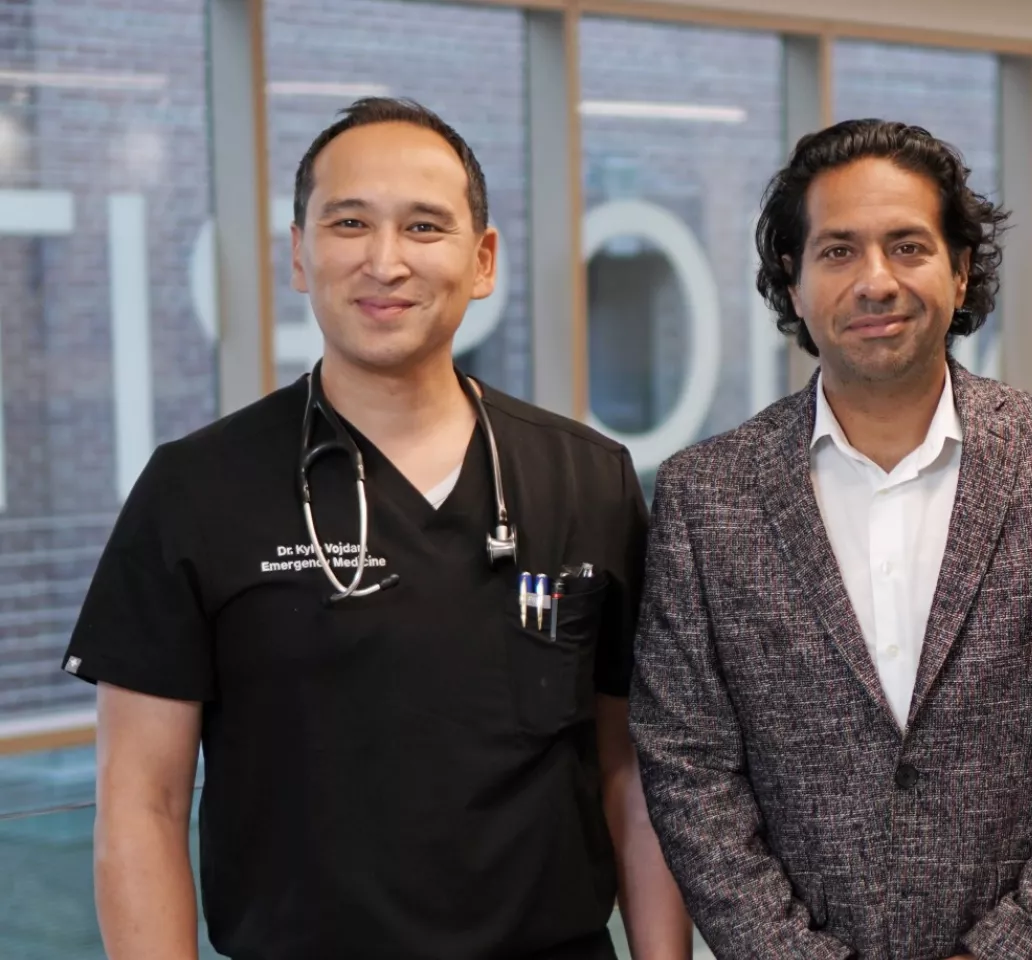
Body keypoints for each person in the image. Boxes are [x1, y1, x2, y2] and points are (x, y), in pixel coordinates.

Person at [64, 97, 690, 959]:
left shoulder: (589, 477)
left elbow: (633, 775)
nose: (385, 261)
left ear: (482, 260)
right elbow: (141, 802)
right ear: (298, 252)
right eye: (349, 222)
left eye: (425, 227)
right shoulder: (196, 489)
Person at [630, 118, 1032, 960]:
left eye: (908, 247)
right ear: (794, 277)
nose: (875, 282)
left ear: (960, 272)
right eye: (839, 251)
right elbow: (687, 762)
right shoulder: (708, 496)